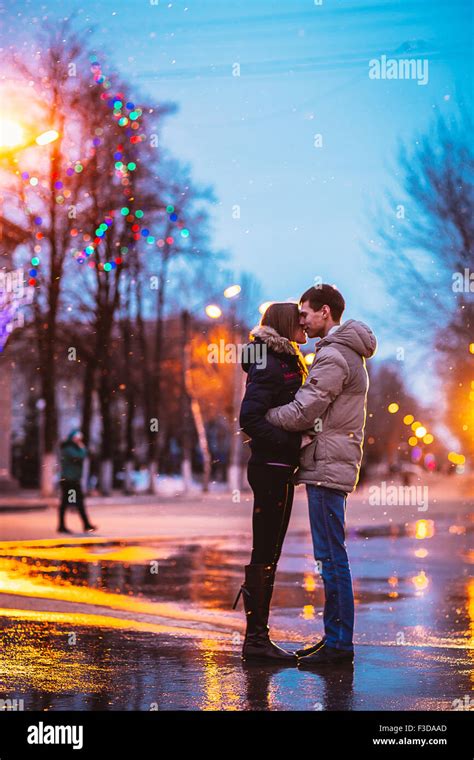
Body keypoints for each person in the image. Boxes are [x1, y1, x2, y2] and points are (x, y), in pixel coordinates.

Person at [266, 284, 377, 668]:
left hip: (327, 465)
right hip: (330, 462)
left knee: (331, 558)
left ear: (325, 312)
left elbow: (302, 409)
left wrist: (263, 419)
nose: (302, 320)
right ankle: (334, 638)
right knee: (330, 556)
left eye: (306, 313)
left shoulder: (333, 356)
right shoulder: (346, 352)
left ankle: (339, 645)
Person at [234, 302, 308, 663]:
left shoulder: (283, 359)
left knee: (270, 552)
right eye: (300, 321)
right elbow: (249, 417)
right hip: (269, 467)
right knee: (264, 551)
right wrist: (287, 441)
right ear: (284, 324)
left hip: (279, 468)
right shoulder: (270, 363)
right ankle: (255, 641)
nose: (305, 327)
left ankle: (259, 637)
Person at [58, 430, 97, 534]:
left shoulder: (70, 448)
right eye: (77, 438)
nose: (78, 440)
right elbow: (80, 456)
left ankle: (84, 525)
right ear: (72, 438)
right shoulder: (69, 449)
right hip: (69, 481)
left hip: (72, 480)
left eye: (79, 438)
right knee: (73, 502)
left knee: (71, 503)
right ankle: (83, 525)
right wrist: (82, 448)